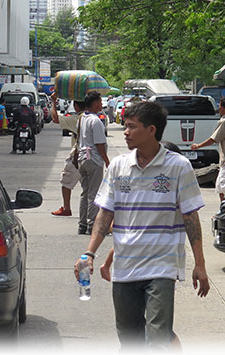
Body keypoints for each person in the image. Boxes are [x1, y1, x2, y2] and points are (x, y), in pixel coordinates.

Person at [75, 101, 209, 350]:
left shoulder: (179, 167)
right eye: (125, 126)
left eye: (131, 127)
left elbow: (191, 218)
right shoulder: (118, 166)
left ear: (151, 130)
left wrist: (200, 265)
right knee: (129, 340)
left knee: (158, 338)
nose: (125, 132)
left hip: (162, 268)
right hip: (125, 268)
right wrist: (90, 253)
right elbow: (105, 215)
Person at [191, 96, 225, 202]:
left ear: (223, 108)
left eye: (219, 106)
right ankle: (223, 209)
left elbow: (213, 139)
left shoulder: (224, 122)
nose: (218, 108)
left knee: (223, 184)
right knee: (220, 188)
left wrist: (198, 146)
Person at [76, 91, 110, 234]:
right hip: (93, 158)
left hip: (82, 158)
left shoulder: (82, 117)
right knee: (94, 193)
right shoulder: (95, 121)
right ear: (95, 103)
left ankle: (82, 224)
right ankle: (92, 225)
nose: (102, 104)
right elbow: (100, 144)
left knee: (85, 192)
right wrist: (107, 161)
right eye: (100, 101)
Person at [49, 91, 86, 217]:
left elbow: (55, 119)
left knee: (66, 181)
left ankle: (66, 207)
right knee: (89, 187)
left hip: (77, 155)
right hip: (91, 156)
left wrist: (54, 102)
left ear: (76, 106)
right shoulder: (92, 118)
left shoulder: (76, 119)